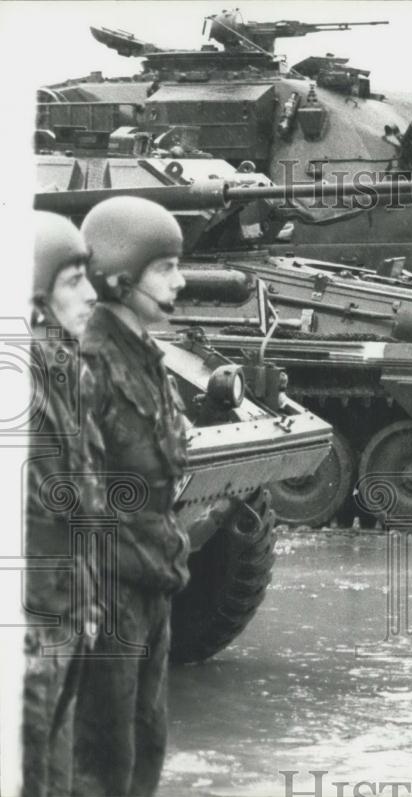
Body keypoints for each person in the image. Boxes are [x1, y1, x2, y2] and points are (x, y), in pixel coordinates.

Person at [71, 196, 189, 797]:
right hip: (107, 592)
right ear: (120, 278)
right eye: (165, 269)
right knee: (101, 761)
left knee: (146, 744)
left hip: (152, 579)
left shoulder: (147, 356)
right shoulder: (90, 364)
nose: (182, 280)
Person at [23, 212, 102, 797]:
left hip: (64, 617)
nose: (92, 295)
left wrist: (87, 604)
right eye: (74, 280)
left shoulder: (64, 375)